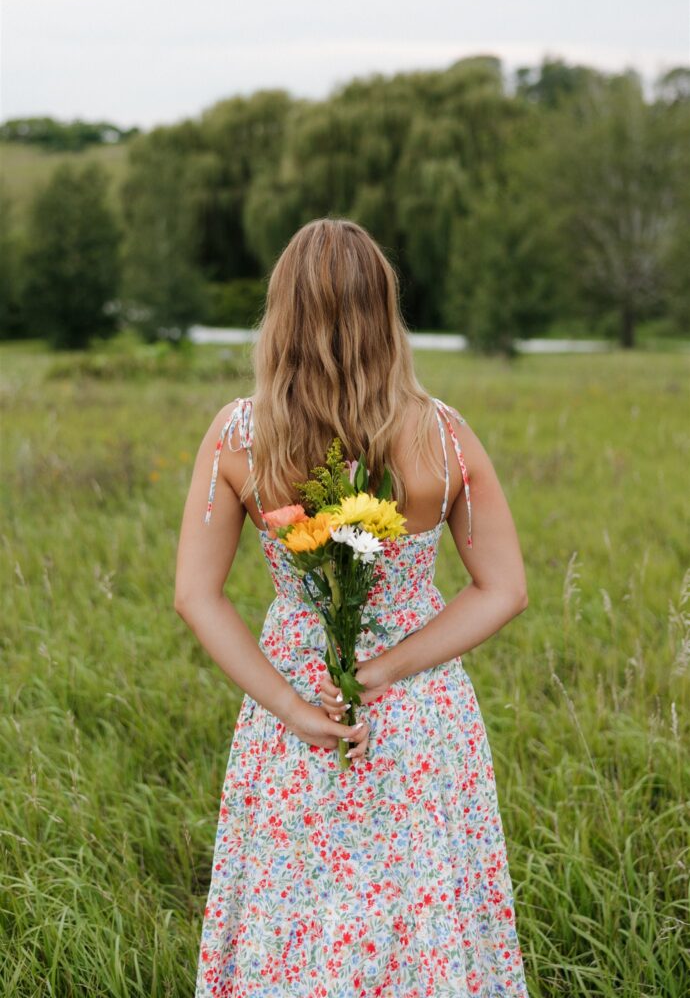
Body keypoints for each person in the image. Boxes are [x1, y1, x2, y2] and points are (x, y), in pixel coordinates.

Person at [175, 217, 531, 996]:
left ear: (281, 314)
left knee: (295, 909)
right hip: (418, 709)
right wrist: (385, 670)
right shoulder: (443, 436)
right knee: (420, 908)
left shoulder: (241, 434)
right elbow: (503, 589)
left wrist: (291, 707)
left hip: (297, 699)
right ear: (384, 311)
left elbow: (196, 596)